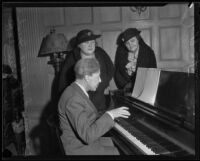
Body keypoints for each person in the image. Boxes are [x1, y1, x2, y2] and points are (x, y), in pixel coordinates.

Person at [58, 58, 130, 155]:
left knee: (124, 146)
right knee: (125, 151)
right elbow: (88, 136)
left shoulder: (75, 90)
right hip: (79, 150)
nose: (100, 80)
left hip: (84, 143)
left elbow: (88, 118)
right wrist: (110, 115)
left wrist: (110, 116)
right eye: (98, 76)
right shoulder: (74, 99)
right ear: (87, 77)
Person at [58, 29, 114, 113]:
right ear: (79, 45)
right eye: (86, 43)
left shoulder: (100, 52)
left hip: (102, 101)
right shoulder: (72, 58)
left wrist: (105, 84)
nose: (90, 45)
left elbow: (111, 68)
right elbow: (63, 82)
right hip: (83, 105)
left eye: (92, 42)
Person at [114, 28, 157, 92]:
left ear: (138, 39)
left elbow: (153, 72)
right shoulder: (120, 52)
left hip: (144, 88)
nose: (130, 45)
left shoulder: (149, 52)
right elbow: (117, 71)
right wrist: (124, 86)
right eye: (127, 43)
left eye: (132, 41)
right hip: (125, 88)